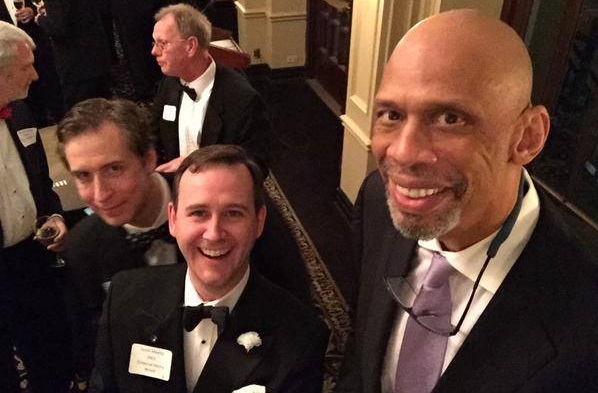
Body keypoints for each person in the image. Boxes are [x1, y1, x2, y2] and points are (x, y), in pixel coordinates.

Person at [335, 9, 598, 393]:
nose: (404, 153)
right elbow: (360, 363)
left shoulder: (584, 312)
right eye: (391, 114)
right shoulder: (377, 201)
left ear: (527, 138)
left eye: (449, 118)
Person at [89, 145, 329, 393]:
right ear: (173, 219)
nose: (214, 234)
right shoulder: (124, 297)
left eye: (233, 213)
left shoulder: (302, 336)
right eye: (199, 213)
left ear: (259, 222)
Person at [56, 98, 181, 383]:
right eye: (84, 176)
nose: (100, 195)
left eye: (114, 169)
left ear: (149, 159)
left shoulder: (216, 209)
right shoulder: (82, 247)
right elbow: (94, 345)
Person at [0, 21, 71, 392]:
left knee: (46, 340)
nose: (36, 74)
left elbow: (42, 181)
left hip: (31, 254)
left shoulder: (23, 114)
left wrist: (54, 215)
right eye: (26, 66)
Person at [151, 3, 271, 174]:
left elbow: (255, 165)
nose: (154, 51)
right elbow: (154, 135)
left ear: (190, 46)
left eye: (162, 43)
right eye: (155, 42)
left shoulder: (242, 100)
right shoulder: (168, 84)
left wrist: (197, 164)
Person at [35, 0, 111, 112]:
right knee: (102, 110)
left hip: (76, 64)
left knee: (79, 116)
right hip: (96, 54)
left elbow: (57, 28)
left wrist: (41, 20)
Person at [0, 0, 63, 126]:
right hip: (8, 62)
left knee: (51, 90)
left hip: (38, 50)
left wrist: (32, 12)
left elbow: (44, 7)